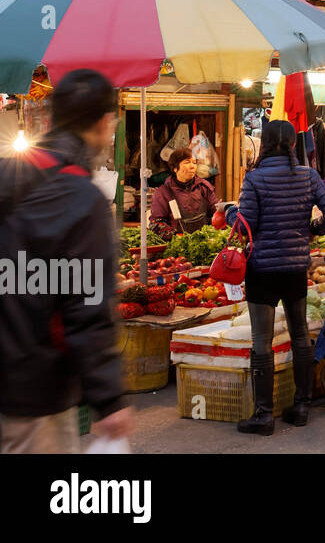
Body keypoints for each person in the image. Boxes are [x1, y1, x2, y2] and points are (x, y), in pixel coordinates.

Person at [0, 69, 132, 453]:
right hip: (34, 389)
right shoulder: (80, 199)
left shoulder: (10, 173)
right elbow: (86, 309)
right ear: (104, 122)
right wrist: (108, 398)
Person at [235, 119, 325, 435]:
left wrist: (229, 214)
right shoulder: (308, 176)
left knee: (262, 342)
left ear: (264, 144)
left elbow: (244, 226)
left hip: (262, 270)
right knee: (299, 337)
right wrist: (312, 229)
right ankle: (302, 405)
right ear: (294, 145)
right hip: (296, 267)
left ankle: (264, 415)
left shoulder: (253, 179)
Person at [149, 146, 219, 237]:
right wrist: (176, 237)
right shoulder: (163, 193)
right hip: (176, 245)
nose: (192, 166)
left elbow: (216, 213)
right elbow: (156, 224)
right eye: (187, 162)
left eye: (194, 163)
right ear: (175, 168)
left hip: (205, 241)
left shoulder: (204, 187)